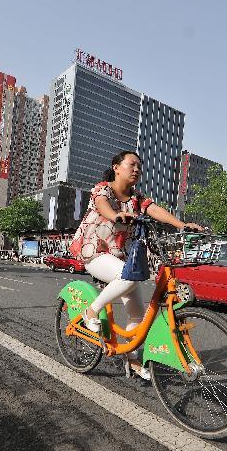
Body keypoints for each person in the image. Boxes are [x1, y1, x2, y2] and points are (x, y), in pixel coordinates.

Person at [70, 150, 202, 380]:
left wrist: (182, 225)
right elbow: (102, 205)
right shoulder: (104, 188)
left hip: (121, 256)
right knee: (130, 276)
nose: (137, 169)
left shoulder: (137, 199)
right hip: (94, 251)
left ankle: (131, 359)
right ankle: (91, 311)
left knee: (137, 315)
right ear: (116, 167)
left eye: (139, 167)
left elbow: (154, 210)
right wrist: (115, 215)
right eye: (132, 164)